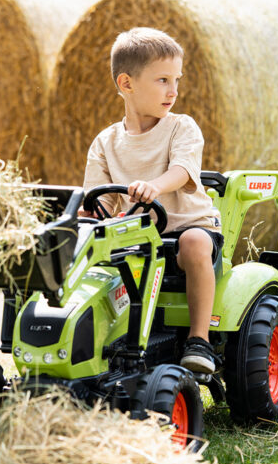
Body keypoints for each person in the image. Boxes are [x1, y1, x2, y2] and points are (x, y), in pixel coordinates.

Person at [80, 27, 223, 373]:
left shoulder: (181, 128)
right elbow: (96, 202)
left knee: (191, 242)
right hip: (137, 240)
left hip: (188, 230)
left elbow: (183, 171)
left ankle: (199, 342)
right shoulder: (105, 142)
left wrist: (155, 186)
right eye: (162, 80)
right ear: (127, 84)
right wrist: (97, 219)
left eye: (177, 80)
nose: (173, 91)